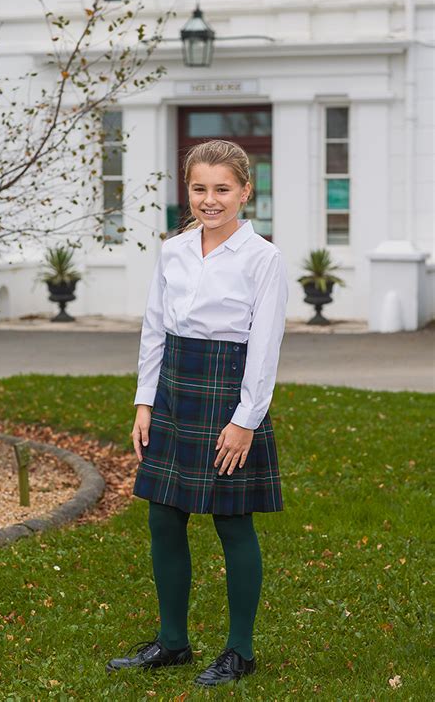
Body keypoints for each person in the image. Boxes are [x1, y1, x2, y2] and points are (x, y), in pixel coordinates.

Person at [106, 139, 289, 687]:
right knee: (163, 514)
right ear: (187, 190)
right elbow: (154, 327)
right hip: (175, 389)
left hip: (228, 390)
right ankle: (173, 642)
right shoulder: (173, 250)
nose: (210, 200)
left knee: (232, 521)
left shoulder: (263, 258)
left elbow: (265, 347)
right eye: (199, 188)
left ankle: (240, 651)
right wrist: (144, 399)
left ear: (244, 191)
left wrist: (245, 420)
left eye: (222, 189)